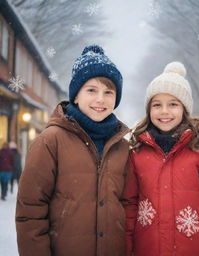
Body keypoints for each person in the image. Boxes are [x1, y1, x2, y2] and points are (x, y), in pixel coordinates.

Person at [16, 45, 130, 256]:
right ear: (75, 96)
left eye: (108, 92)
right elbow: (30, 211)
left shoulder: (122, 147)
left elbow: (128, 205)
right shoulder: (51, 141)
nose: (100, 99)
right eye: (91, 90)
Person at [122, 62, 199, 256]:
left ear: (184, 108)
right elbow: (129, 205)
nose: (164, 111)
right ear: (149, 110)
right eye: (157, 105)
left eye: (173, 104)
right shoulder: (137, 152)